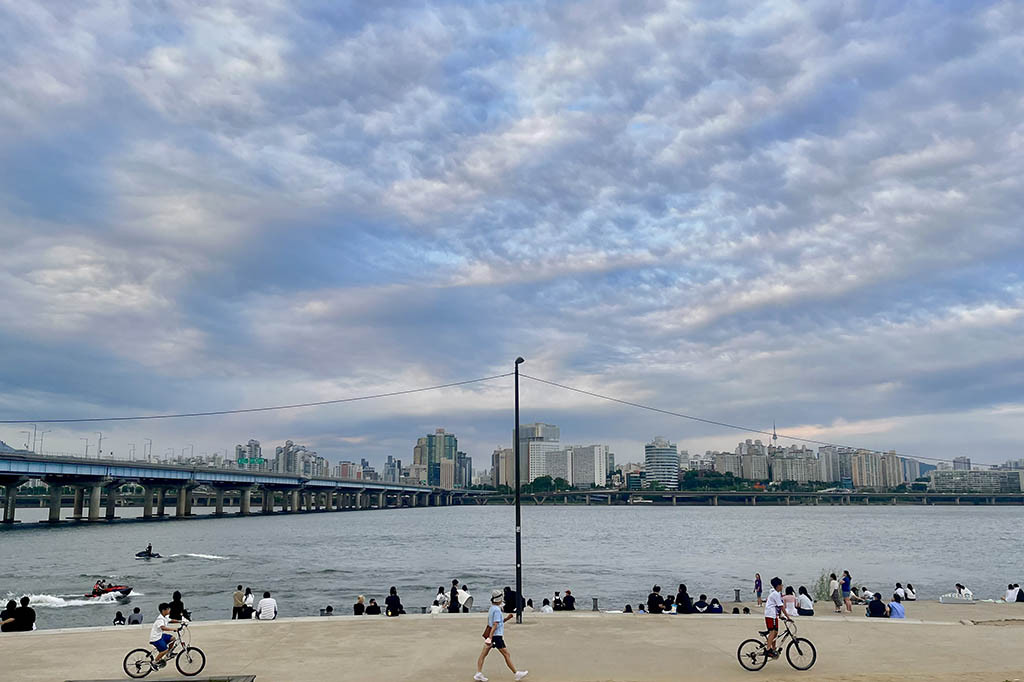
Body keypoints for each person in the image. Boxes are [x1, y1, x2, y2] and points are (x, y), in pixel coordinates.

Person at [474, 589, 528, 682]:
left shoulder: (492, 608)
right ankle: (516, 673)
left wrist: (507, 618)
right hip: (496, 636)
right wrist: (491, 637)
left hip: (492, 635)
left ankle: (478, 673)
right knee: (506, 654)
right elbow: (495, 624)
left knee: (483, 654)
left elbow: (497, 622)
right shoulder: (497, 610)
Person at [764, 577, 790, 657]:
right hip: (770, 615)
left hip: (773, 615)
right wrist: (788, 617)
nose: (782, 586)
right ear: (778, 586)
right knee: (772, 632)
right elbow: (781, 606)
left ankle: (773, 648)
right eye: (781, 585)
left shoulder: (777, 594)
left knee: (775, 632)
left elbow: (777, 606)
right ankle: (768, 649)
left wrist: (780, 615)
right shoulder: (775, 594)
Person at [149, 603, 179, 668]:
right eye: (168, 609)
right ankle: (154, 662)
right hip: (156, 638)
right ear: (163, 610)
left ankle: (169, 653)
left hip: (160, 635)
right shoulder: (160, 619)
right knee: (164, 650)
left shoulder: (165, 617)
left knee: (173, 639)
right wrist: (173, 629)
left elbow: (171, 620)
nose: (169, 610)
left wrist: (181, 621)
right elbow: (163, 628)